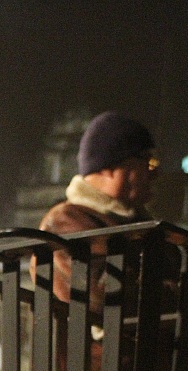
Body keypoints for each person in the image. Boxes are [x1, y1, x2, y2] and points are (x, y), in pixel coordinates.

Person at [38, 110, 159, 309]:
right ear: (109, 167)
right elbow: (102, 298)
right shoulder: (65, 221)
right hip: (103, 341)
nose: (155, 174)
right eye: (148, 163)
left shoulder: (140, 222)